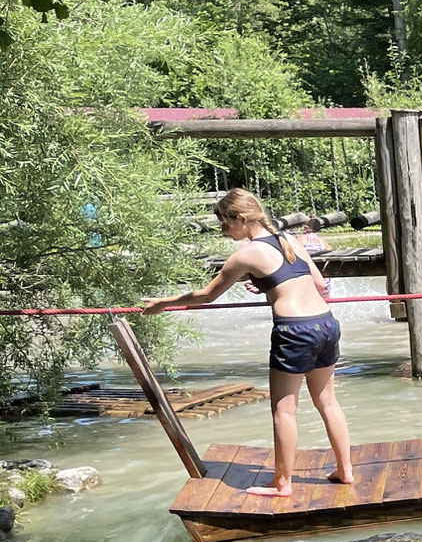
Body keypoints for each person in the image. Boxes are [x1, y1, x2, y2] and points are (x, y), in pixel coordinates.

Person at [143, 189, 355, 497]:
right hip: (326, 323)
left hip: (294, 330)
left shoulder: (245, 254)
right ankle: (345, 470)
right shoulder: (289, 239)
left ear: (241, 219)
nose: (223, 230)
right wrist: (270, 285)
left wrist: (164, 302)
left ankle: (283, 484)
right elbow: (319, 284)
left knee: (284, 411)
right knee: (328, 402)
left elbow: (206, 296)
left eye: (224, 223)